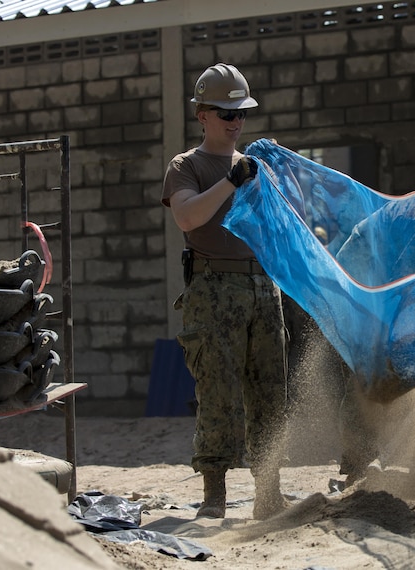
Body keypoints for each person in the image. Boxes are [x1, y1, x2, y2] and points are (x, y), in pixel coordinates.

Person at [161, 63, 289, 520]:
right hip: (214, 288)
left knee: (271, 392)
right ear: (202, 114)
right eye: (225, 113)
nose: (235, 122)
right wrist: (232, 180)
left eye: (241, 114)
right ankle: (214, 494)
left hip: (262, 286)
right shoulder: (187, 166)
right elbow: (188, 218)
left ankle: (268, 492)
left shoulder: (257, 166)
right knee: (218, 393)